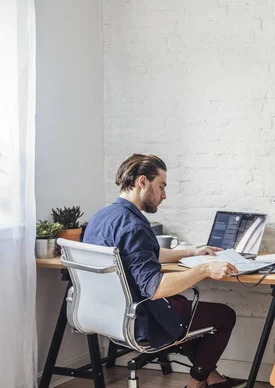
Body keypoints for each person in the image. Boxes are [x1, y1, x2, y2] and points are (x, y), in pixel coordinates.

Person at [84, 153, 245, 388]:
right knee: (224, 315)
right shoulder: (135, 226)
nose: (164, 195)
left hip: (107, 314)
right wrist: (205, 269)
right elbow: (156, 288)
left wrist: (191, 252)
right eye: (161, 186)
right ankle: (196, 383)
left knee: (182, 308)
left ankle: (212, 377)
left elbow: (142, 253)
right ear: (142, 182)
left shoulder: (103, 217)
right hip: (140, 318)